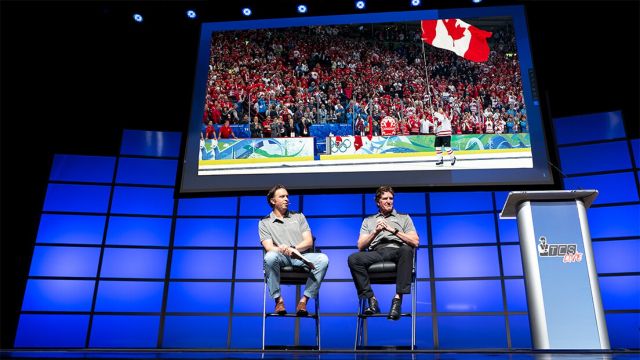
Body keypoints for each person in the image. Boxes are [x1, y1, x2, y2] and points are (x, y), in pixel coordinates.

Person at [347, 186, 419, 320]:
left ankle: (397, 301)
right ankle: (372, 300)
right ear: (378, 202)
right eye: (385, 198)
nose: (389, 201)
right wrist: (376, 232)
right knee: (353, 259)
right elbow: (360, 246)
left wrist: (393, 230)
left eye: (391, 198)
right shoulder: (369, 220)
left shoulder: (404, 218)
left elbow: (415, 241)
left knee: (407, 249)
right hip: (377, 252)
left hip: (397, 251)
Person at [259, 185, 330, 316]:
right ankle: (278, 301)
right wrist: (282, 249)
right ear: (273, 201)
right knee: (269, 257)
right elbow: (269, 247)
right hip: (281, 257)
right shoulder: (265, 222)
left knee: (323, 259)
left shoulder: (298, 216)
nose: (286, 199)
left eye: (287, 196)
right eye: (282, 196)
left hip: (301, 256)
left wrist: (293, 249)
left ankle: (303, 301)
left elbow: (308, 242)